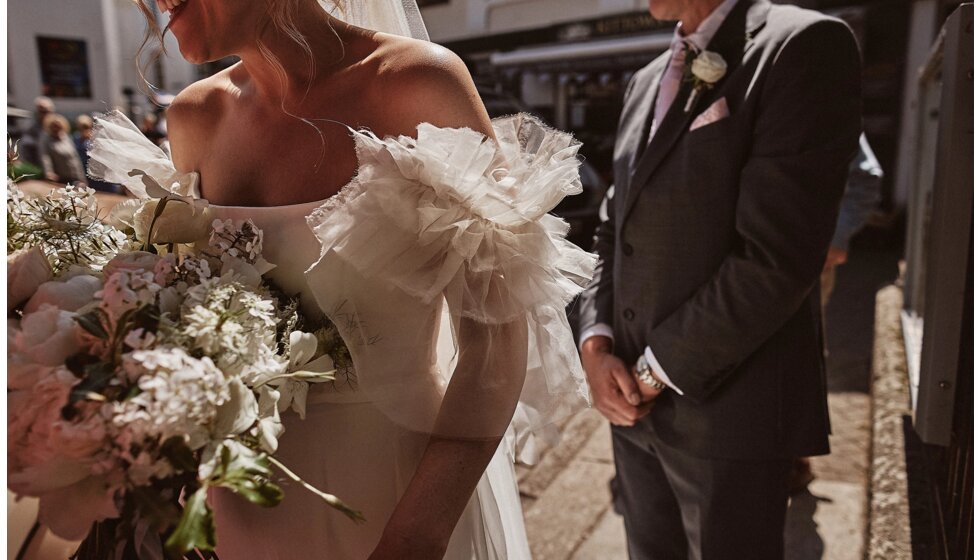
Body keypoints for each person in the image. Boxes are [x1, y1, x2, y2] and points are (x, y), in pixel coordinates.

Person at [87, 1, 595, 558]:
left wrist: (414, 538)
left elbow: (493, 339)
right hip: (235, 510)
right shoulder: (195, 116)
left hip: (392, 498)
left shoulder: (414, 83)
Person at [577, 0, 862, 557]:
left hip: (730, 415)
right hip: (630, 407)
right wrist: (595, 342)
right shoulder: (644, 81)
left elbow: (775, 257)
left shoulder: (803, 45)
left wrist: (654, 372)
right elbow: (614, 228)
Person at [790, 132, 883, 493]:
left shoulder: (813, 92)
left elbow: (865, 175)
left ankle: (797, 453)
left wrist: (837, 235)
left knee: (803, 351)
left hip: (805, 258)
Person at [39, 113, 87, 186]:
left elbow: (76, 159)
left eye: (58, 125)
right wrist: (49, 172)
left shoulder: (66, 138)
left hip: (75, 177)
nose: (56, 128)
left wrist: (82, 178)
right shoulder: (47, 141)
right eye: (54, 126)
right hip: (60, 179)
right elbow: (45, 158)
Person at [18, 96, 56, 167]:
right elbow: (26, 148)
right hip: (39, 167)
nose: (46, 114)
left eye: (48, 111)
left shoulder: (57, 126)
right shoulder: (30, 128)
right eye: (42, 112)